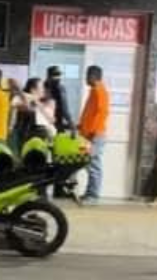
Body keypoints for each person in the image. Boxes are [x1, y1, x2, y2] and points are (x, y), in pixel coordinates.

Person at [80, 65, 110, 204]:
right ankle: (89, 193)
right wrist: (81, 126)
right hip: (90, 134)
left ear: (93, 76)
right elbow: (90, 113)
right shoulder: (94, 91)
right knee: (89, 163)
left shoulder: (99, 91)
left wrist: (92, 132)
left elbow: (102, 113)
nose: (85, 78)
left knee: (93, 164)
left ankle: (93, 196)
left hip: (95, 134)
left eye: (87, 75)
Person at [45, 66, 75, 134]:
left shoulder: (42, 87)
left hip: (53, 123)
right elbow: (64, 109)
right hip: (48, 123)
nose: (58, 77)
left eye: (59, 75)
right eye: (55, 75)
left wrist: (70, 122)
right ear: (49, 76)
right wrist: (70, 122)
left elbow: (64, 108)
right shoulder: (59, 88)